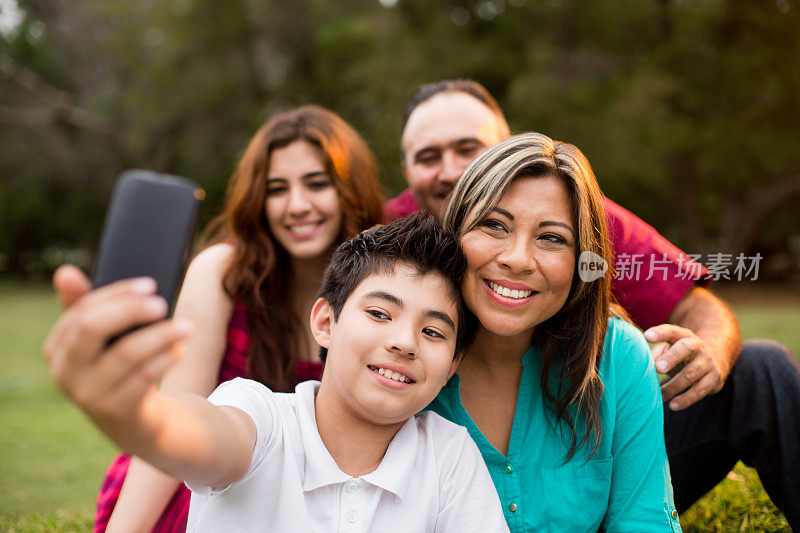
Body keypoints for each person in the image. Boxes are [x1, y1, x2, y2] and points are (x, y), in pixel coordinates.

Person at [388, 79, 800, 527]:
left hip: (602, 427)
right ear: (405, 168)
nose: (449, 171)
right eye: (429, 157)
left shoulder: (573, 202)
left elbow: (695, 302)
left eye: (469, 149)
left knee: (761, 367)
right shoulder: (384, 248)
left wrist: (705, 358)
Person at [44, 214, 510, 533]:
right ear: (325, 323)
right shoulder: (260, 416)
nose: (405, 342)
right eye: (381, 314)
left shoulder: (449, 456)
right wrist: (138, 411)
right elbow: (198, 434)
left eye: (432, 331)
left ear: (452, 366)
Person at [77, 105, 384, 532]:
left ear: (350, 190)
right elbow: (176, 417)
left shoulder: (383, 279)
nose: (297, 205)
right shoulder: (223, 271)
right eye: (277, 189)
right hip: (216, 486)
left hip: (332, 500)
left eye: (317, 184)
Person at [425, 132, 680, 531]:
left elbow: (643, 519)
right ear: (454, 233)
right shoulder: (404, 356)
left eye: (551, 238)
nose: (517, 259)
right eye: (494, 225)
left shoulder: (618, 356)